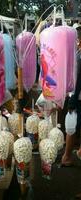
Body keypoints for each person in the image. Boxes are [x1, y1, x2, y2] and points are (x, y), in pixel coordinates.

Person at [61, 24, 81, 166]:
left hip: (78, 97)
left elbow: (79, 80)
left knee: (71, 127)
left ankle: (67, 157)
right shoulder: (78, 53)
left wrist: (72, 101)